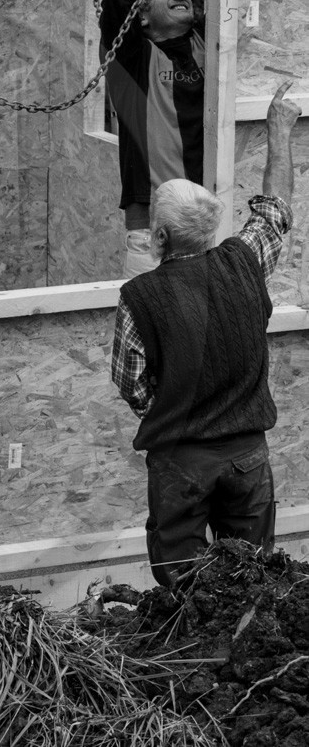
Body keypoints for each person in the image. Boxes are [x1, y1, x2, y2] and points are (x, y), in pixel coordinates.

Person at [111, 81, 300, 587]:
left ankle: (190, 664)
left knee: (184, 591)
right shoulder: (246, 260)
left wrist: (174, 407)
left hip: (181, 461)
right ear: (211, 231)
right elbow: (276, 207)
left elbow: (132, 385)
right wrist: (279, 129)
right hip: (248, 457)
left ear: (159, 237)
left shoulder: (139, 296)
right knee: (254, 585)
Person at [101, 0, 205, 278]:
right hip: (154, 232)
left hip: (208, 222)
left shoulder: (205, 46)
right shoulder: (132, 62)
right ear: (141, 16)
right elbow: (116, 1)